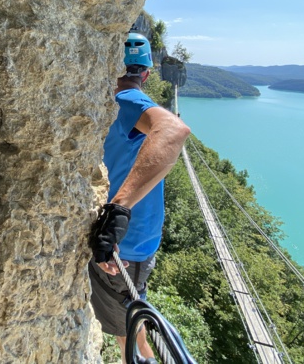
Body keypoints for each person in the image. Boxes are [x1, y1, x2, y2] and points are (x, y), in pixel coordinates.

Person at [88, 32, 191, 363]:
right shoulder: (117, 103)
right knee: (129, 319)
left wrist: (118, 209)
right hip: (133, 240)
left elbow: (174, 130)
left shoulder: (126, 101)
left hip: (122, 245)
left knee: (128, 332)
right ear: (147, 73)